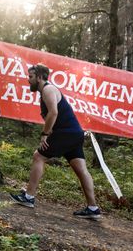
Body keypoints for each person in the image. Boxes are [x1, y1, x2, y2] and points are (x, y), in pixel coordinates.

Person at [10, 64, 101, 220]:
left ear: (39, 77)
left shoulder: (48, 89)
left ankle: (29, 197)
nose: (28, 80)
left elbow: (54, 112)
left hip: (67, 133)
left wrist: (44, 134)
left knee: (38, 156)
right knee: (81, 170)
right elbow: (51, 116)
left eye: (30, 77)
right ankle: (93, 208)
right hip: (74, 134)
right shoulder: (45, 92)